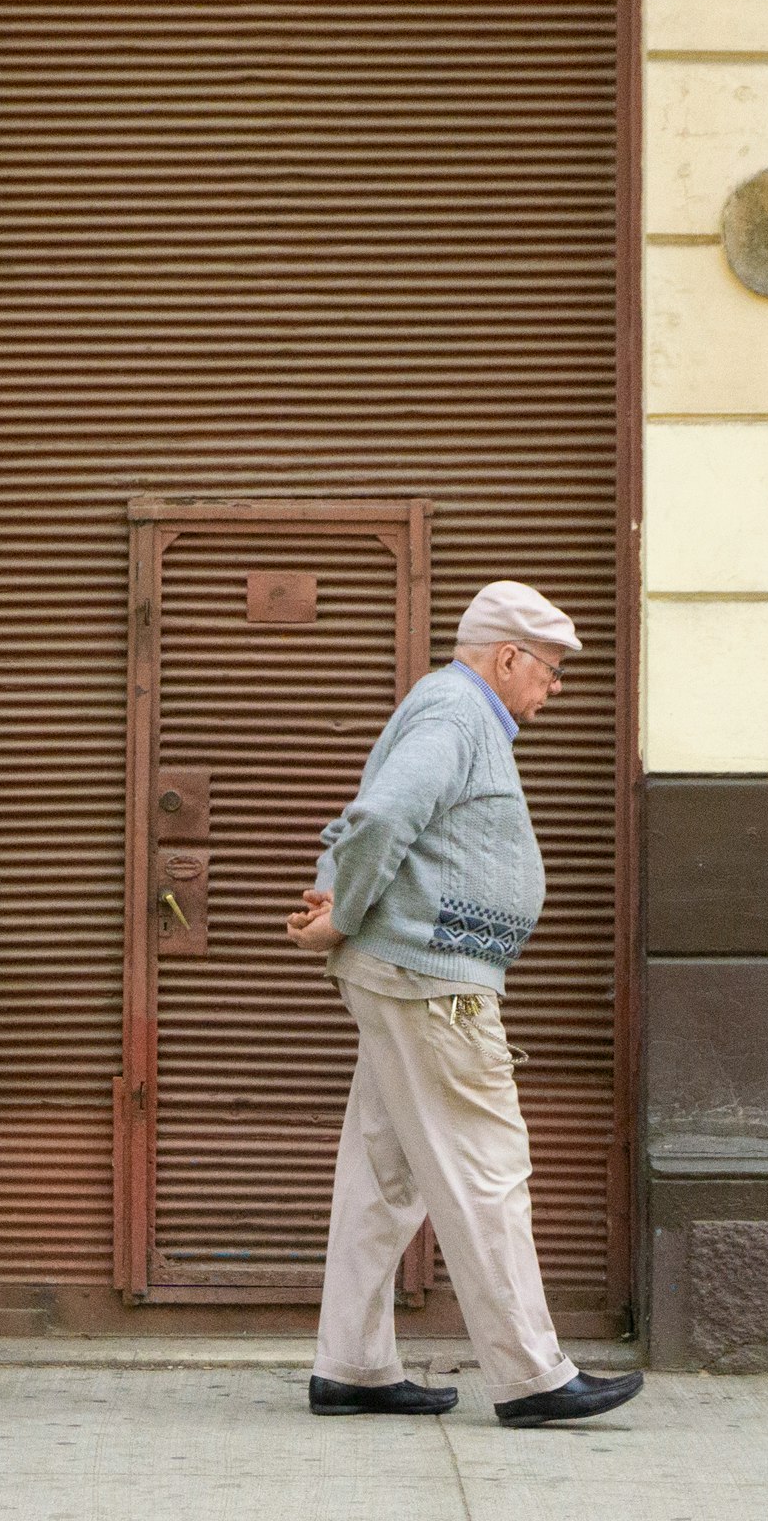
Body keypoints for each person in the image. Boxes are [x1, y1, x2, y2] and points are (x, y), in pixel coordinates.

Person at [285, 579, 645, 1429]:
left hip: (411, 978)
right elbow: (381, 816)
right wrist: (346, 915)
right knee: (486, 1170)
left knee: (386, 1176)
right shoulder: (456, 712)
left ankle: (353, 1367)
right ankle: (532, 1376)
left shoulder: (448, 710)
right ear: (508, 656)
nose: (555, 686)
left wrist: (345, 906)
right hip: (430, 982)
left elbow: (364, 820)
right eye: (550, 668)